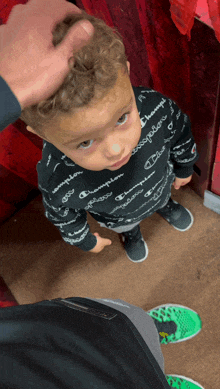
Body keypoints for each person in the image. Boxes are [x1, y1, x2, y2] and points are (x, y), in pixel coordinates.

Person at [0, 1, 205, 388]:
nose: (115, 149)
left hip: (159, 187)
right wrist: (83, 238)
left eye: (123, 117)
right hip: (117, 215)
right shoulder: (56, 176)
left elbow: (181, 134)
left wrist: (181, 170)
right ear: (43, 136)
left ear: (128, 76)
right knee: (129, 226)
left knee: (164, 200)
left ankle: (167, 209)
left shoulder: (157, 108)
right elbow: (62, 212)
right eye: (86, 141)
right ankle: (132, 235)